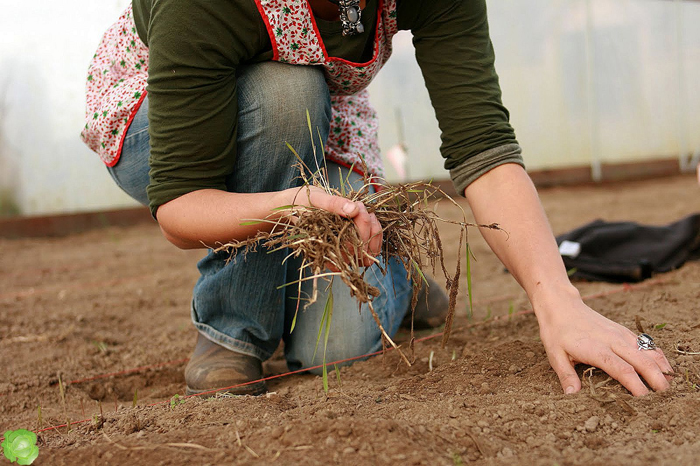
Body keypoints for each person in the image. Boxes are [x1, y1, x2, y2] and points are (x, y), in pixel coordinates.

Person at [81, 0, 672, 397]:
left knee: (334, 347)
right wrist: (293, 207)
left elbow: (483, 148)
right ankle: (235, 329)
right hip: (159, 125)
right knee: (285, 91)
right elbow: (182, 207)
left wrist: (560, 302)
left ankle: (397, 274)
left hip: (315, 124)